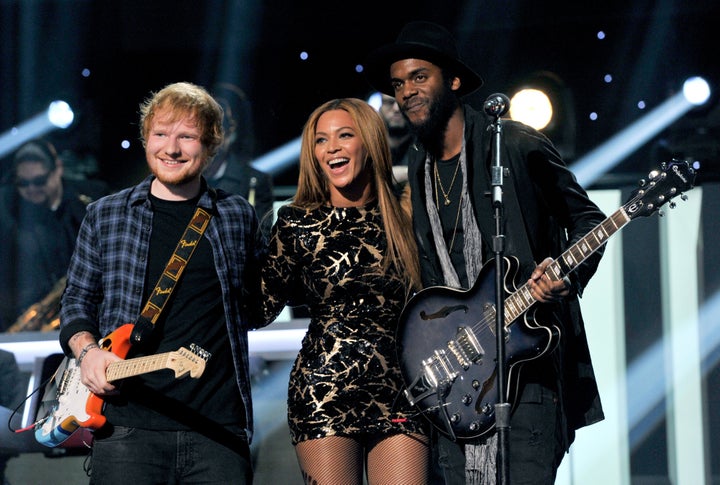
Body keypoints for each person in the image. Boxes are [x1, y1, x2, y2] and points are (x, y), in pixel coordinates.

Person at [365, 21, 606, 485]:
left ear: (453, 81)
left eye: (419, 77)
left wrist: (565, 279)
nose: (406, 92)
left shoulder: (513, 142)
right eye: (398, 84)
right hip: (458, 378)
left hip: (527, 365)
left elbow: (588, 221)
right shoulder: (418, 162)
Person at [58, 81, 267, 484]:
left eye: (186, 136)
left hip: (217, 429)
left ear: (210, 146)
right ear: (145, 139)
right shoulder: (106, 214)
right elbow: (76, 302)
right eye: (160, 134)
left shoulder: (237, 214)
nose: (171, 148)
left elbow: (256, 310)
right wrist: (88, 355)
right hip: (126, 429)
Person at [259, 98, 431, 484]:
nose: (331, 147)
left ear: (369, 142)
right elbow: (258, 308)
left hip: (401, 390)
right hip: (323, 392)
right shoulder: (297, 223)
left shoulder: (408, 213)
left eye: (344, 136)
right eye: (321, 140)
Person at [0, 138, 109, 332]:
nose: (31, 188)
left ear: (58, 169)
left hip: (89, 316)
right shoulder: (6, 207)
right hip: (26, 320)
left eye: (39, 181)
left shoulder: (91, 196)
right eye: (23, 183)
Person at [206, 82, 274, 237]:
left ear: (232, 130)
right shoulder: (184, 177)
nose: (209, 135)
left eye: (218, 126)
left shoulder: (255, 181)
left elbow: (261, 240)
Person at [376, 92, 413, 183]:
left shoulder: (426, 146)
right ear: (380, 108)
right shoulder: (368, 145)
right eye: (389, 102)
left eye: (403, 102)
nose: (396, 108)